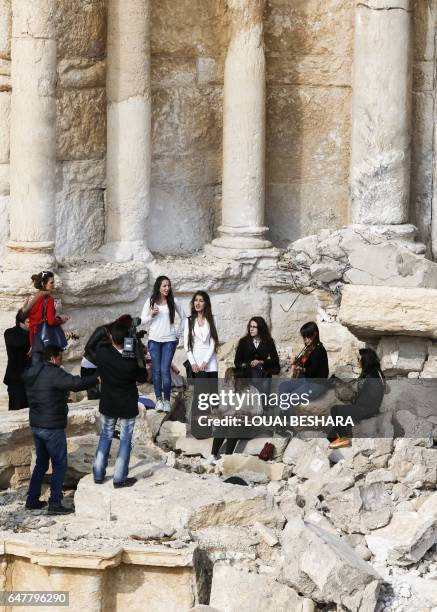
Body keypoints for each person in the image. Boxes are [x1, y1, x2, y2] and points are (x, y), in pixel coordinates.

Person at [23, 345, 98, 514]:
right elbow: (76, 383)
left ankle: (32, 500)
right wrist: (96, 379)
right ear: (53, 358)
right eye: (60, 357)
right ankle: (55, 504)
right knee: (59, 464)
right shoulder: (54, 373)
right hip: (52, 427)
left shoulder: (32, 372)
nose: (61, 359)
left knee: (41, 463)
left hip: (36, 424)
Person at [92, 324, 148, 488]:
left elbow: (98, 343)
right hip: (127, 404)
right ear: (127, 341)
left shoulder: (102, 352)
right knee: (125, 440)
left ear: (110, 338)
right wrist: (139, 354)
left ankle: (98, 474)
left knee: (106, 435)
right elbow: (143, 376)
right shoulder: (130, 361)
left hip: (108, 402)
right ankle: (119, 478)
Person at [140, 276, 184, 413]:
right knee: (157, 371)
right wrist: (151, 315)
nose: (167, 288)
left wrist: (178, 334)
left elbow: (184, 318)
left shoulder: (173, 301)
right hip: (154, 341)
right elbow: (142, 320)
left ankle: (166, 401)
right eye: (164, 286)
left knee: (165, 370)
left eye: (168, 286)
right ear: (158, 286)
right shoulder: (151, 300)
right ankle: (158, 400)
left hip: (169, 341)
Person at [328, 348, 385, 449]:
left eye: (359, 359)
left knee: (335, 410)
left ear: (366, 360)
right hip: (369, 407)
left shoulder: (372, 376)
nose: (358, 361)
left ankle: (343, 439)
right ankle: (337, 437)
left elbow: (369, 397)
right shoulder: (374, 372)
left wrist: (354, 399)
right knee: (331, 435)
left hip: (367, 409)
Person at [205, 367, 262, 465]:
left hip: (248, 426)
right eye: (231, 379)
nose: (233, 382)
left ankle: (227, 458)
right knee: (224, 424)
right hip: (231, 423)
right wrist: (217, 410)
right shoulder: (229, 390)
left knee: (233, 425)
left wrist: (244, 412)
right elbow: (224, 408)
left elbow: (259, 411)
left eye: (235, 379)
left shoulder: (253, 391)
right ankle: (213, 456)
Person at [278, 321, 329, 412]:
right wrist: (297, 362)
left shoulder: (319, 350)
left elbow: (313, 371)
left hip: (317, 384)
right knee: (283, 386)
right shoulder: (308, 349)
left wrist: (302, 368)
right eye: (304, 337)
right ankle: (284, 415)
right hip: (306, 381)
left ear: (315, 334)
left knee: (291, 398)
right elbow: (303, 362)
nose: (305, 339)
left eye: (307, 336)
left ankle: (288, 422)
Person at [81, 315, 133, 400]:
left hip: (105, 365)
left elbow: (128, 353)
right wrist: (102, 361)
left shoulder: (125, 333)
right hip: (90, 365)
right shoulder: (102, 330)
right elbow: (88, 347)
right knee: (94, 394)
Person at [234, 317, 280, 408]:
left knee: (265, 382)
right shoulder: (243, 342)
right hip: (248, 372)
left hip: (262, 372)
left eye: (254, 327)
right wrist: (245, 364)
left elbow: (275, 360)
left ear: (261, 328)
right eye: (250, 326)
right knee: (260, 381)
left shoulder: (269, 342)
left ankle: (264, 410)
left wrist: (261, 361)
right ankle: (258, 410)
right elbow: (237, 361)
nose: (251, 329)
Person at [27, 272, 69, 364]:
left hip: (34, 337)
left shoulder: (31, 298)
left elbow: (30, 322)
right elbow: (50, 321)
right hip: (45, 338)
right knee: (49, 364)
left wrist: (31, 344)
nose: (54, 285)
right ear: (43, 284)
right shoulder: (49, 300)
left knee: (37, 365)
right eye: (51, 283)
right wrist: (60, 319)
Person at [3, 310, 31, 409]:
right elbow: (18, 342)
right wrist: (34, 340)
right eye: (29, 322)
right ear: (20, 321)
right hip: (16, 381)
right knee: (17, 410)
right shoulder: (10, 332)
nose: (32, 324)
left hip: (32, 380)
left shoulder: (33, 334)